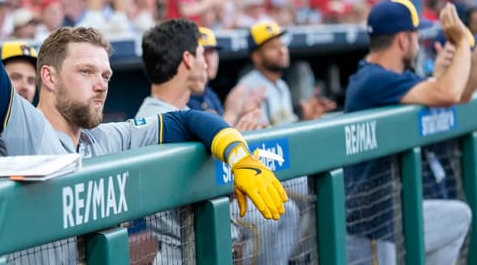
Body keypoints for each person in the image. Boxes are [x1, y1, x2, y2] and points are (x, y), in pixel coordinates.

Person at [0, 0, 287, 263]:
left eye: (106, 75)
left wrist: (239, 157)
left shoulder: (105, 139)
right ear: (48, 76)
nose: (101, 83)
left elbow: (187, 120)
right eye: (86, 71)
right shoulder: (21, 128)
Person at [343, 0, 477, 264]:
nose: (419, 43)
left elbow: (461, 93)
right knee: (456, 217)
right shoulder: (373, 79)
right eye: (417, 36)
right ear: (403, 40)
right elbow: (448, 92)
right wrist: (463, 42)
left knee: (456, 217)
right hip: (366, 229)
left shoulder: (389, 77)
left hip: (383, 220)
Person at [135, 19, 301, 265]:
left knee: (283, 209)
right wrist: (234, 141)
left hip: (199, 246)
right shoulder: (154, 121)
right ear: (188, 60)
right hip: (183, 253)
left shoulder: (180, 114)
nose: (207, 62)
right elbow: (192, 196)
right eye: (203, 53)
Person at [236, 21, 335, 126]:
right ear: (256, 56)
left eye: (282, 45)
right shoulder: (248, 87)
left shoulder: (282, 85)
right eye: (272, 47)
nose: (282, 51)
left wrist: (307, 119)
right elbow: (261, 136)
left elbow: (286, 129)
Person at [187, 26, 265, 131]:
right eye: (203, 53)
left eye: (213, 52)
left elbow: (227, 132)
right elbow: (213, 140)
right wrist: (231, 113)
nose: (209, 59)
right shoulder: (183, 98)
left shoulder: (209, 94)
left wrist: (244, 115)